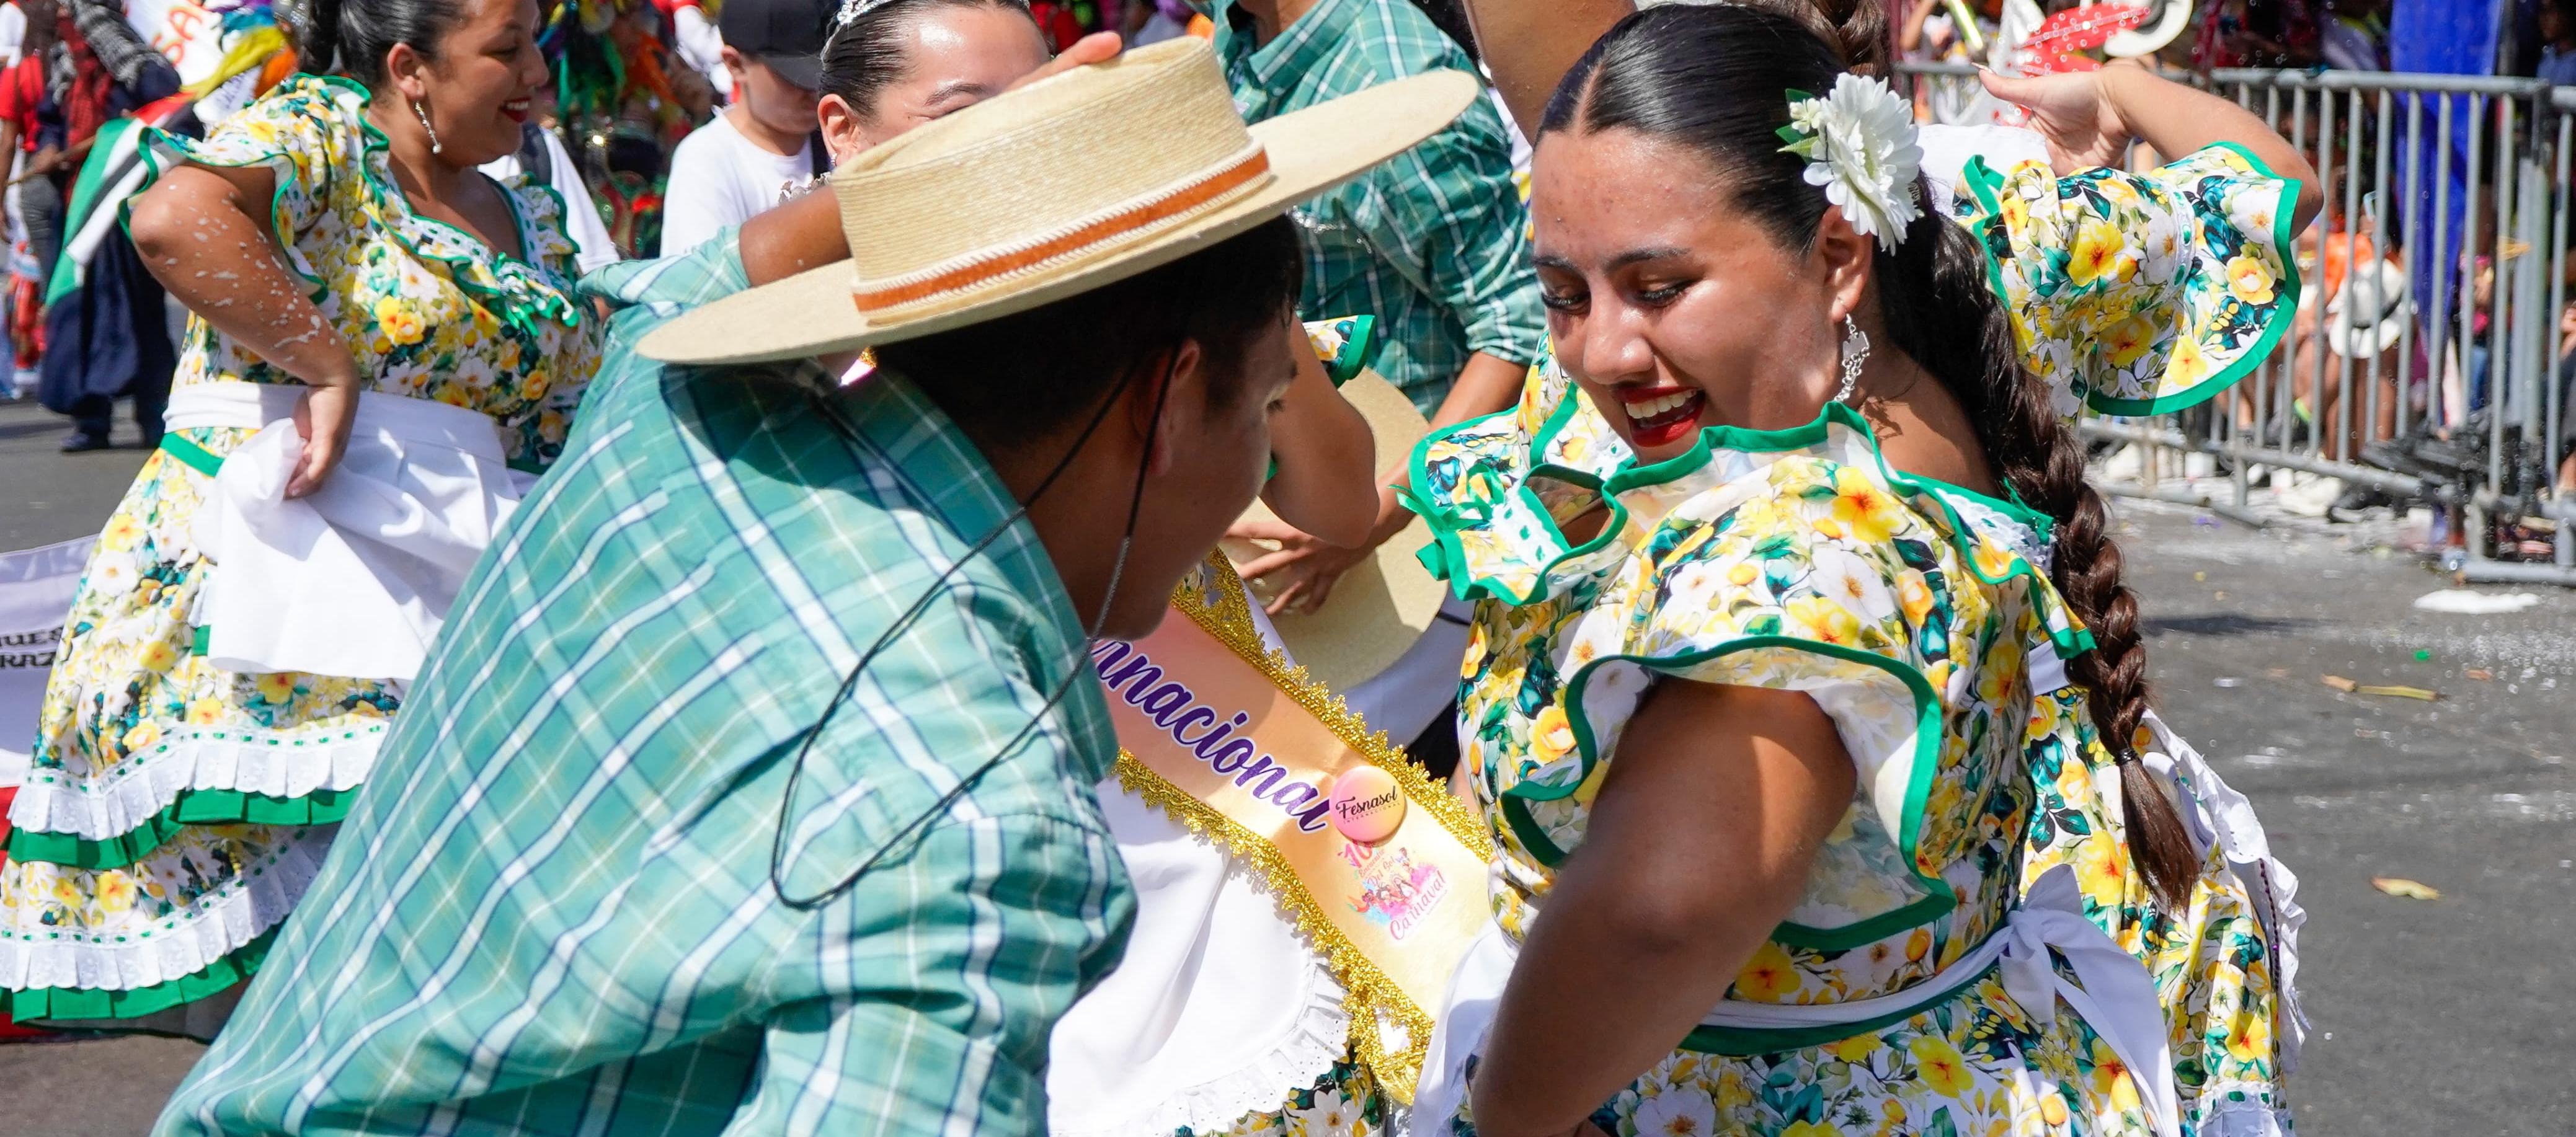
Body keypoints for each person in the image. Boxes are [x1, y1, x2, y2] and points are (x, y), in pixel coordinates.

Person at [149, 37, 1478, 1134]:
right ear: (1174, 398)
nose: (1263, 451)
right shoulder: (974, 812)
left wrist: (1006, 172)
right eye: (1269, 399)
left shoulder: (666, 413)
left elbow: (748, 273)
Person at [1403, 5, 2321, 1135]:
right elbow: (2260, 183)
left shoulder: (1806, 543)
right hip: (2017, 955)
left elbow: (1663, 904)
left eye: (1655, 286)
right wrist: (2122, 90)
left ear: (1837, 256)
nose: (1597, 348)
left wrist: (1498, 1112)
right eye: (1561, 296)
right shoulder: (1971, 224)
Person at [0, 0, 601, 1035]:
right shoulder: (321, 131)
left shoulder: (521, 206)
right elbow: (172, 218)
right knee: (347, 967)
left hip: (451, 581)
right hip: (283, 604)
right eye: (503, 50)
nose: (532, 72)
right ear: (411, 68)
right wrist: (319, 356)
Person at [1206, 0, 1545, 620]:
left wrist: (1370, 520)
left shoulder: (1387, 77)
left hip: (1420, 552)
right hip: (1309, 515)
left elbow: (1517, 329)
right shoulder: (1240, 29)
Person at [657, 0, 828, 255]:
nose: (814, 90)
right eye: (794, 76)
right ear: (735, 65)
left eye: (824, 72)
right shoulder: (706, 161)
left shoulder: (842, 137)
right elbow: (703, 286)